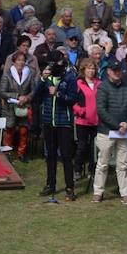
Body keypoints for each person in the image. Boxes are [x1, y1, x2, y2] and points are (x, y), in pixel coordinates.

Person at [94, 60, 127, 202]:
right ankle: (98, 191)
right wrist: (117, 125)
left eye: (118, 70)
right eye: (114, 70)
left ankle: (125, 193)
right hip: (106, 131)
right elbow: (101, 110)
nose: (117, 72)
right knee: (103, 163)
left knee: (122, 164)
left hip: (125, 131)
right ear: (108, 71)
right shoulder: (103, 87)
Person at [35, 62, 78, 200]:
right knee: (50, 155)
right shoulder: (46, 79)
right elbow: (36, 95)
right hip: (48, 121)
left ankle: (70, 187)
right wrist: (42, 79)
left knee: (66, 156)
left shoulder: (69, 77)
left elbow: (72, 99)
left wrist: (58, 94)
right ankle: (50, 184)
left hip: (63, 122)